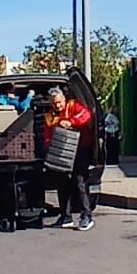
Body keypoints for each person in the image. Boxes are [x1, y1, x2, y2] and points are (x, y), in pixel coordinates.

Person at [49, 89, 98, 230]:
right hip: (62, 152)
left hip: (81, 149)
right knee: (61, 182)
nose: (57, 105)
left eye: (59, 102)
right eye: (54, 103)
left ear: (64, 99)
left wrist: (71, 122)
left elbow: (87, 115)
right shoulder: (51, 115)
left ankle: (86, 216)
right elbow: (48, 132)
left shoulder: (74, 105)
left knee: (79, 181)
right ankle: (65, 216)